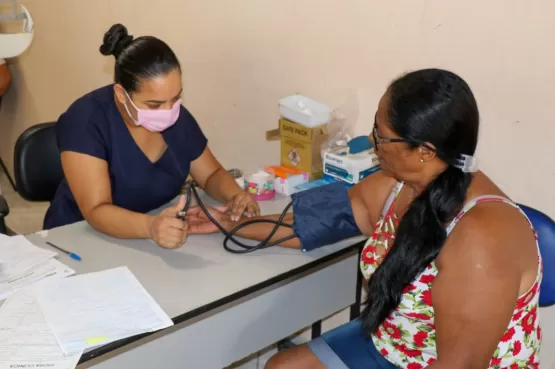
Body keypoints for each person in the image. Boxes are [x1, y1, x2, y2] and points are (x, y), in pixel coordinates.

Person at [186, 69, 542, 368]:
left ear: (423, 152)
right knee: (282, 366)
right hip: (395, 346)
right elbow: (316, 222)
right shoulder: (394, 186)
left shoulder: (481, 239)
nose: (372, 144)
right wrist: (231, 224)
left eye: (381, 138)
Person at [43, 24, 259, 249]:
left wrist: (235, 196)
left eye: (175, 98)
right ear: (121, 94)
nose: (168, 111)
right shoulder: (85, 121)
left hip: (149, 239)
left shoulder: (177, 118)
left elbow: (211, 174)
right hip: (77, 239)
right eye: (154, 104)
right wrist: (151, 227)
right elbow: (97, 210)